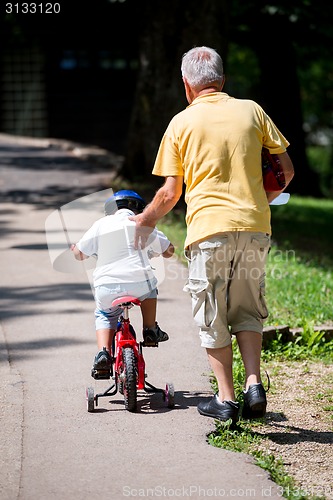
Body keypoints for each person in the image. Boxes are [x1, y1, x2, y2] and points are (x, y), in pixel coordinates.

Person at [130, 46, 294, 424]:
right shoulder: (252, 110)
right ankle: (254, 384)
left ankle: (226, 399)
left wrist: (145, 221)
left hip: (209, 232)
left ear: (186, 85)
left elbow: (171, 193)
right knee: (248, 308)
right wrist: (261, 201)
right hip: (255, 228)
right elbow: (285, 170)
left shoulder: (180, 123)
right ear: (222, 80)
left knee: (213, 313)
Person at [71, 190, 174, 379]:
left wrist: (76, 250)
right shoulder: (143, 223)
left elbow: (79, 254)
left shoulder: (101, 224)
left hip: (106, 288)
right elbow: (169, 251)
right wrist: (161, 250)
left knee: (104, 313)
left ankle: (103, 353)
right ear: (139, 209)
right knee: (151, 286)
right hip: (139, 285)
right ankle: (150, 330)